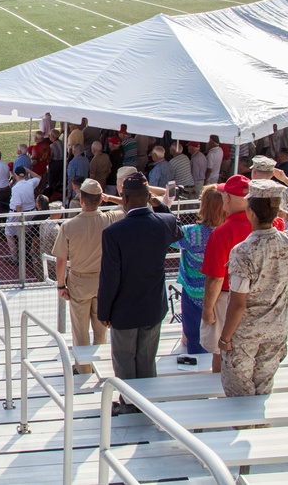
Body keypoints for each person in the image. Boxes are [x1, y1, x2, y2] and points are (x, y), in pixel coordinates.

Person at [218, 180, 288, 397]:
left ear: (251, 212)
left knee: (239, 392)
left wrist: (225, 338)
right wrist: (285, 215)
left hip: (246, 331)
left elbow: (238, 303)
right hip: (277, 326)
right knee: (263, 387)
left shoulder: (243, 251)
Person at [98, 173, 182, 414]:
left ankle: (129, 404)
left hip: (124, 308)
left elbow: (110, 277)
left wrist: (104, 310)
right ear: (148, 198)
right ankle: (147, 405)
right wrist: (159, 204)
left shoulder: (114, 233)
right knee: (146, 359)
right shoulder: (162, 223)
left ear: (124, 198)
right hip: (152, 306)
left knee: (124, 361)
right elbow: (174, 225)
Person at [52, 178, 125, 372]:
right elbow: (131, 206)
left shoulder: (68, 225)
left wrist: (60, 285)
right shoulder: (110, 218)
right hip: (104, 281)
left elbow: (61, 260)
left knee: (80, 329)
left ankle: (84, 369)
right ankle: (98, 366)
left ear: (81, 199)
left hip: (79, 282)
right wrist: (112, 198)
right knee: (101, 328)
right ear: (100, 200)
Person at [200, 175, 252, 373]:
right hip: (257, 297)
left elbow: (215, 277)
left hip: (227, 299)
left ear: (227, 199)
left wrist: (207, 310)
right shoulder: (274, 224)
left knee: (221, 352)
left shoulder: (222, 232)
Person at [172, 185, 224, 356]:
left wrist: (165, 207)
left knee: (195, 337)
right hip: (221, 294)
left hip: (193, 294)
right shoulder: (229, 233)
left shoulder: (192, 233)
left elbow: (170, 237)